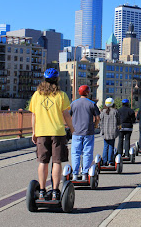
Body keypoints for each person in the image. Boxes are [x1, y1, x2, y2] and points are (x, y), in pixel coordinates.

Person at [29, 68, 74, 201]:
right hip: (58, 132)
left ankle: (42, 191)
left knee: (43, 162)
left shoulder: (37, 95)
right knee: (57, 161)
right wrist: (72, 128)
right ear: (57, 80)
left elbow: (34, 115)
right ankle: (55, 191)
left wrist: (34, 132)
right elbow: (66, 115)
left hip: (42, 132)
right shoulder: (61, 95)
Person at [70, 85, 100, 181]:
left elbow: (67, 116)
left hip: (76, 132)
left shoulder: (73, 103)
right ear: (88, 92)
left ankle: (75, 174)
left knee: (75, 153)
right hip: (88, 132)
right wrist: (95, 125)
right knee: (87, 152)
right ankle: (85, 173)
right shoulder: (92, 104)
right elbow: (98, 118)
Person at [100, 98, 120, 165]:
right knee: (111, 146)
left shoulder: (103, 111)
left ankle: (104, 161)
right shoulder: (115, 111)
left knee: (105, 146)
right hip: (112, 131)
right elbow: (118, 122)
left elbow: (101, 122)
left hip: (105, 132)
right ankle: (110, 162)